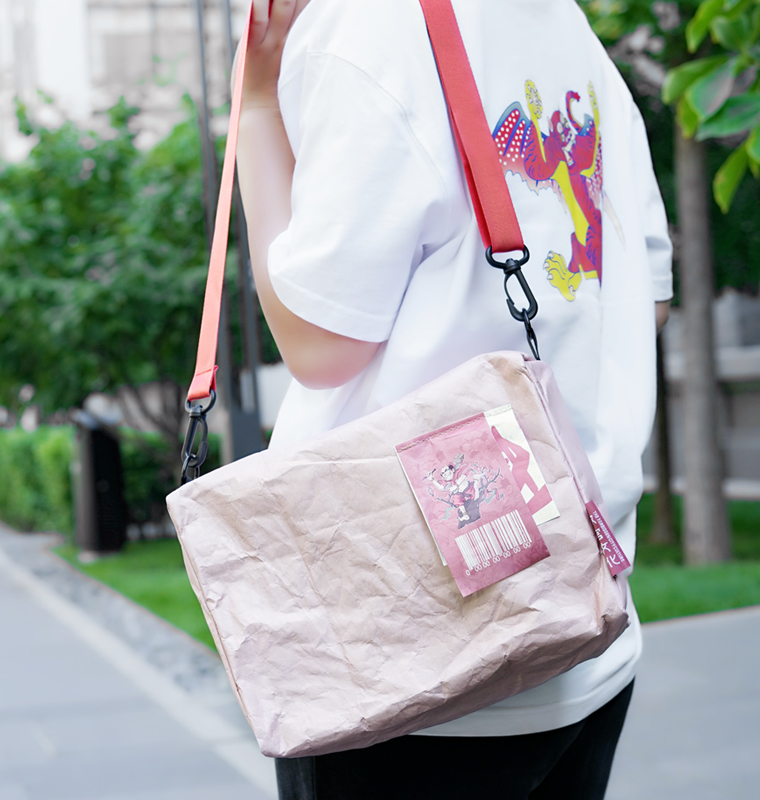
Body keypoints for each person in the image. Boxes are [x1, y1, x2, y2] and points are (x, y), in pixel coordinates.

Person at [235, 1, 673, 798]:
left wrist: (258, 103)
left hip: (412, 664)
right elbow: (649, 298)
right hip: (587, 624)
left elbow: (319, 346)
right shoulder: (564, 25)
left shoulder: (366, 28)